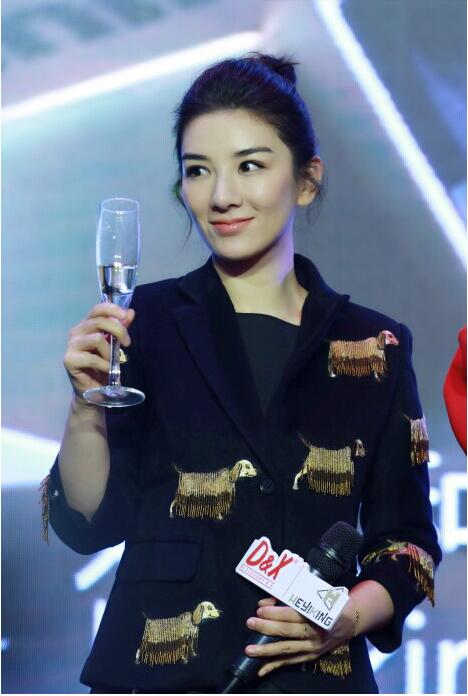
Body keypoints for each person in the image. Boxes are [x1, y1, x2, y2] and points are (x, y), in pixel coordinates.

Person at [42, 53, 441, 694]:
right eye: (198, 170)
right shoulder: (143, 324)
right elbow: (91, 524)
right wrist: (85, 409)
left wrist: (344, 617)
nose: (221, 195)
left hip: (314, 680)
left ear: (306, 180)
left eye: (250, 165)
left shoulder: (376, 344)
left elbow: (408, 544)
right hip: (158, 679)